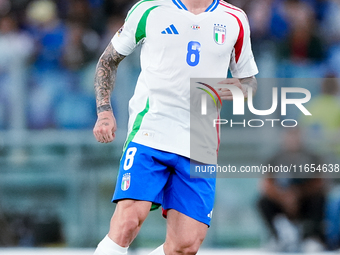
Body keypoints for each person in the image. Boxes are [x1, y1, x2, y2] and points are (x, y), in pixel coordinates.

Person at [92, 0, 258, 254]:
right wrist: (104, 112)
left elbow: (249, 84)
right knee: (128, 222)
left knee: (186, 245)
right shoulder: (149, 9)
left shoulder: (234, 18)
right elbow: (107, 61)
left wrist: (218, 89)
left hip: (200, 141)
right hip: (151, 131)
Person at [257, 128, 328, 253]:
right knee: (262, 202)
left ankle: (311, 237)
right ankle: (279, 237)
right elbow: (265, 184)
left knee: (319, 200)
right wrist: (284, 198)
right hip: (281, 201)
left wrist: (298, 194)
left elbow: (320, 182)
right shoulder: (275, 158)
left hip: (306, 200)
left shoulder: (312, 157)